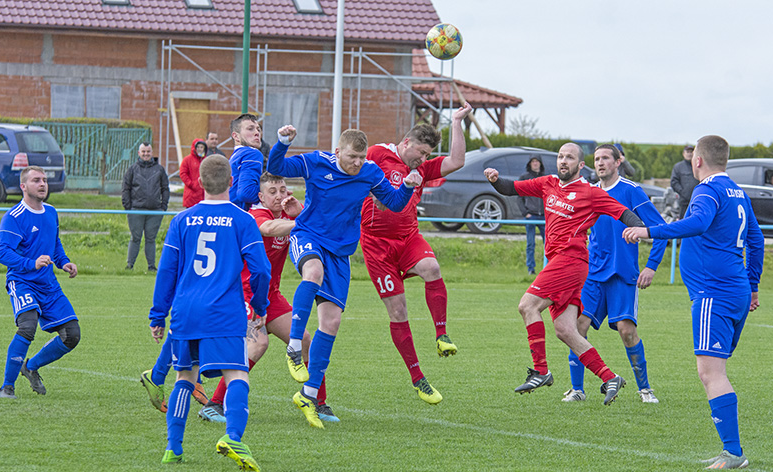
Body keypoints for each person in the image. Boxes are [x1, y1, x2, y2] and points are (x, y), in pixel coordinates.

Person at [623, 135, 763, 470]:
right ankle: (731, 451)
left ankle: (733, 453)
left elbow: (698, 223)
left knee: (710, 372)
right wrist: (753, 287)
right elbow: (756, 240)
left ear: (697, 160)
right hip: (736, 290)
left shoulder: (707, 190)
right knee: (715, 369)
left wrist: (649, 232)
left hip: (713, 294)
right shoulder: (738, 192)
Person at [268, 125, 421, 428]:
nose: (357, 163)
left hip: (340, 251)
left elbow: (394, 203)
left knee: (332, 322)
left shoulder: (370, 172)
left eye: (361, 158)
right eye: (352, 157)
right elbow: (277, 167)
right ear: (338, 152)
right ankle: (295, 345)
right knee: (312, 272)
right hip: (309, 235)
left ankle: (309, 395)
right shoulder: (317, 162)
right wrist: (283, 143)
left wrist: (408, 185)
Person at [483, 142, 646, 405]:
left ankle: (541, 370)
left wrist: (639, 230)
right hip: (558, 263)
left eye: (569, 157)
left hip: (571, 260)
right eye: (560, 156)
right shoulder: (548, 183)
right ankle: (609, 377)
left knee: (527, 306)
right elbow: (511, 189)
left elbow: (623, 213)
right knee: (565, 330)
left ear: (581, 165)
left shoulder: (590, 192)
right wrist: (495, 180)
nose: (563, 161)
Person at [149, 154, 271, 470]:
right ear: (231, 182)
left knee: (184, 378)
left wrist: (158, 314)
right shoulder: (242, 220)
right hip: (223, 311)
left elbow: (167, 271)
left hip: (186, 311)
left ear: (200, 183)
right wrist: (259, 306)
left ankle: (173, 448)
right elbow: (261, 269)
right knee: (237, 374)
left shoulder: (181, 220)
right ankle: (232, 436)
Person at [199, 173, 338, 423]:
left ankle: (318, 402)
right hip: (243, 294)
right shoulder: (257, 215)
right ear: (261, 196)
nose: (279, 196)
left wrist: (302, 212)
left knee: (304, 339)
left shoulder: (290, 214)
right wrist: (304, 222)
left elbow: (315, 219)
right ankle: (215, 404)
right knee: (258, 344)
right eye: (272, 192)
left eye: (283, 190)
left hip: (270, 296)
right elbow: (269, 229)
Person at [359, 103, 472, 404]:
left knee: (432, 269)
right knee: (398, 311)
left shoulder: (420, 167)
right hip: (376, 244)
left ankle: (441, 335)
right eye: (419, 153)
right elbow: (350, 170)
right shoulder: (376, 155)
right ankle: (418, 378)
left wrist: (457, 121)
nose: (422, 160)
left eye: (426, 156)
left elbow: (457, 160)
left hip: (408, 237)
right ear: (406, 142)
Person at [561, 144, 667, 404]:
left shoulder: (632, 191)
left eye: (606, 158)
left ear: (618, 162)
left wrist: (651, 266)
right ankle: (577, 389)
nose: (600, 163)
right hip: (592, 274)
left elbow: (660, 228)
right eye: (596, 159)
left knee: (626, 331)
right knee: (577, 327)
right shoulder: (588, 192)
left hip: (622, 274)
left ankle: (645, 389)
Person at [0, 166, 81, 399]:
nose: (42, 184)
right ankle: (7, 387)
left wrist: (64, 262)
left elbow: (54, 244)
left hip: (48, 285)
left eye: (44, 180)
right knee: (27, 326)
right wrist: (30, 263)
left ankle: (30, 366)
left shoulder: (51, 212)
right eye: (36, 180)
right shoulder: (14, 217)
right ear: (23, 186)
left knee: (72, 334)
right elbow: (1, 252)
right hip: (22, 281)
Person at [122, 142, 170, 272]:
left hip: (155, 211)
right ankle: (129, 265)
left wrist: (163, 206)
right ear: (139, 153)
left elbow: (165, 188)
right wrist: (128, 207)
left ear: (152, 153)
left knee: (151, 239)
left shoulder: (159, 169)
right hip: (136, 210)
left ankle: (151, 266)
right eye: (143, 152)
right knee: (135, 238)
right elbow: (126, 188)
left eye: (148, 152)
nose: (146, 154)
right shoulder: (132, 169)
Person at [517, 155, 546, 275]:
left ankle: (548, 268)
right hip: (531, 215)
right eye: (533, 161)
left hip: (544, 216)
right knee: (530, 243)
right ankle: (531, 268)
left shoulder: (545, 178)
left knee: (549, 244)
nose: (535, 164)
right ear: (530, 163)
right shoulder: (524, 178)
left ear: (540, 163)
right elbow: (519, 197)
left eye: (537, 161)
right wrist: (525, 212)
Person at [229, 113, 264, 209]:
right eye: (250, 129)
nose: (257, 133)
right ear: (236, 136)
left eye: (258, 129)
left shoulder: (234, 156)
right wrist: (271, 195)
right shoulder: (251, 153)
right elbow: (246, 193)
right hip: (241, 215)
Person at [671, 145, 697, 219]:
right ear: (683, 153)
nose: (689, 153)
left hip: (697, 200)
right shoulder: (678, 167)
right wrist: (683, 192)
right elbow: (674, 182)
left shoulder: (698, 166)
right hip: (684, 202)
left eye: (691, 151)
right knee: (684, 222)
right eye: (687, 151)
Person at [179, 138, 207, 208]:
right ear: (194, 148)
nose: (200, 149)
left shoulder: (206, 160)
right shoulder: (187, 159)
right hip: (191, 194)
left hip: (204, 194)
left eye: (202, 147)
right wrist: (191, 184)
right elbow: (183, 173)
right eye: (198, 147)